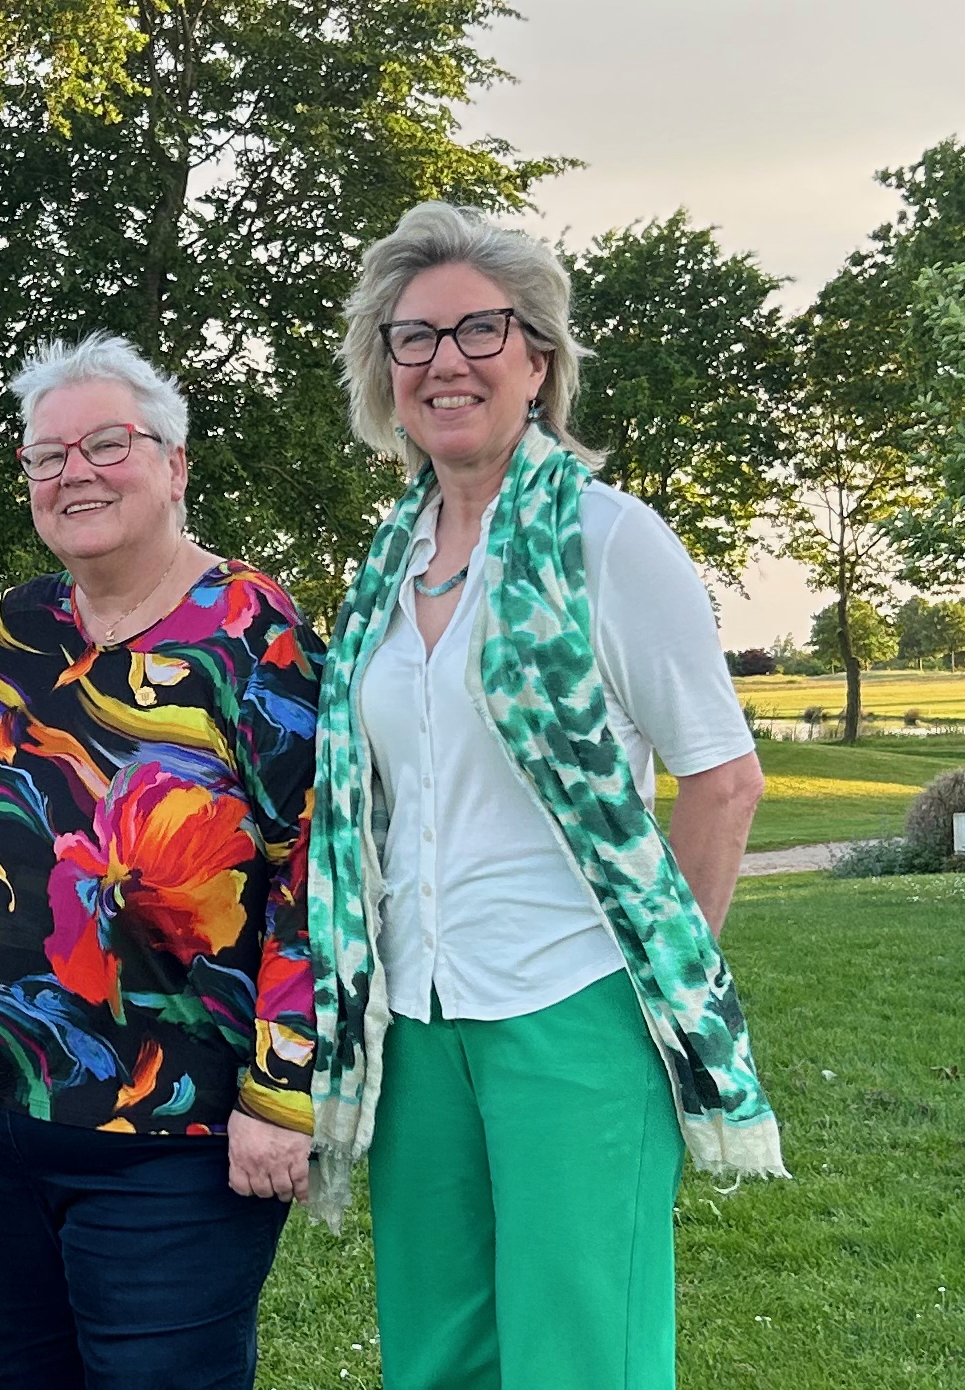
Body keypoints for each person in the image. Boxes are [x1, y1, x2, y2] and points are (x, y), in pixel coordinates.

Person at [306, 201, 788, 1390]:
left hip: (573, 1009)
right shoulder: (382, 566)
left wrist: (648, 998)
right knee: (436, 1353)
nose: (444, 361)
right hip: (412, 1020)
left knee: (582, 1356)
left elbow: (722, 781)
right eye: (410, 338)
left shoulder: (609, 543)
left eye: (479, 329)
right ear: (385, 373)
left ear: (537, 357)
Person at [0, 334, 325, 1389]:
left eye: (106, 444)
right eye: (46, 457)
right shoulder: (0, 633)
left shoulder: (254, 634)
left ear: (175, 465)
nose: (73, 473)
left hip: (172, 1130)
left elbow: (316, 868)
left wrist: (283, 1092)